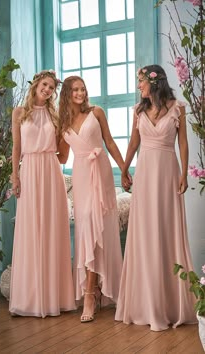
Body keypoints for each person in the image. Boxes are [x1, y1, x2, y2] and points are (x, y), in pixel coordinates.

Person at [115, 65, 197, 331]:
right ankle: (145, 302)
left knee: (166, 230)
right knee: (145, 233)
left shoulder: (177, 107)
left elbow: (183, 143)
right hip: (145, 175)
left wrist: (184, 174)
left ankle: (171, 303)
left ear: (155, 82)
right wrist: (125, 169)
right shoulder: (138, 111)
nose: (138, 86)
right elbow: (133, 143)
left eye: (141, 82)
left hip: (167, 173)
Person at [9, 70, 76, 317]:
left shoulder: (55, 115)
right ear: (36, 84)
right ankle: (29, 298)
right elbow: (16, 147)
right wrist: (15, 175)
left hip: (50, 171)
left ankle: (53, 298)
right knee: (30, 229)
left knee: (51, 230)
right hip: (29, 171)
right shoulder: (18, 113)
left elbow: (63, 155)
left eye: (51, 88)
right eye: (45, 85)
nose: (47, 90)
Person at [58, 76, 124, 323]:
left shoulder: (96, 112)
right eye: (75, 89)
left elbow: (109, 142)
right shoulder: (62, 122)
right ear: (67, 93)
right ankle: (92, 291)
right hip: (82, 175)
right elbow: (63, 157)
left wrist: (125, 169)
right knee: (86, 225)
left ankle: (90, 293)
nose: (80, 92)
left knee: (100, 228)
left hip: (102, 171)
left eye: (82, 88)